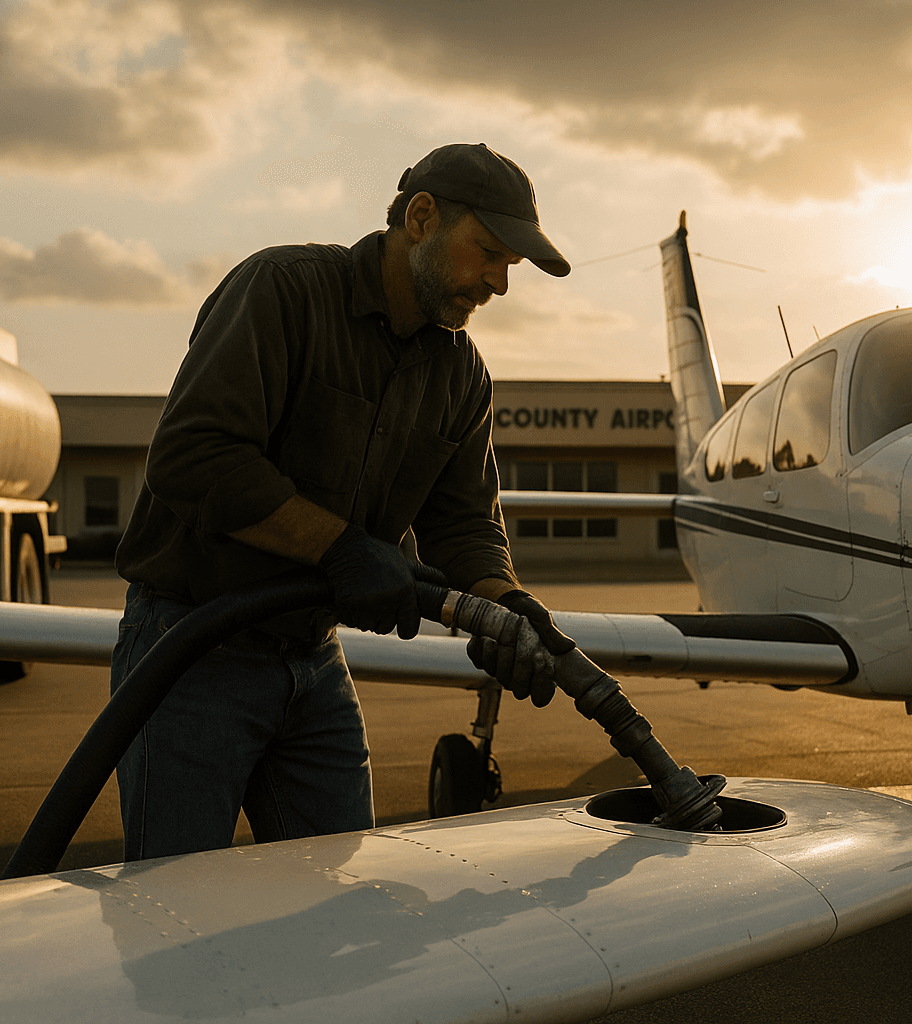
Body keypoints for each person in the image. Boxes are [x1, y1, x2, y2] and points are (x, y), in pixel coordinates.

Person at [110, 143, 576, 861]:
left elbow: (462, 524)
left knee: (334, 914)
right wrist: (342, 548)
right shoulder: (283, 291)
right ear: (422, 218)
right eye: (487, 253)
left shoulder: (460, 374)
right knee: (173, 907)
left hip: (312, 657)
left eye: (507, 267)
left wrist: (502, 604)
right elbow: (194, 457)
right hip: (191, 647)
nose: (497, 285)